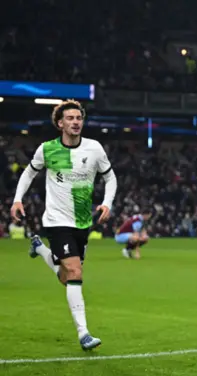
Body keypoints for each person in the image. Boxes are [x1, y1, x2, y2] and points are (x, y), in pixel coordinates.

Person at [11, 99, 117, 350]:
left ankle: (39, 249)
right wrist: (17, 199)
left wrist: (107, 203)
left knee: (66, 277)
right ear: (60, 124)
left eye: (78, 118)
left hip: (82, 221)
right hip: (57, 221)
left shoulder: (94, 149)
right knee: (75, 273)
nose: (75, 122)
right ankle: (84, 334)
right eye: (70, 118)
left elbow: (110, 178)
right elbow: (29, 172)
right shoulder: (47, 149)